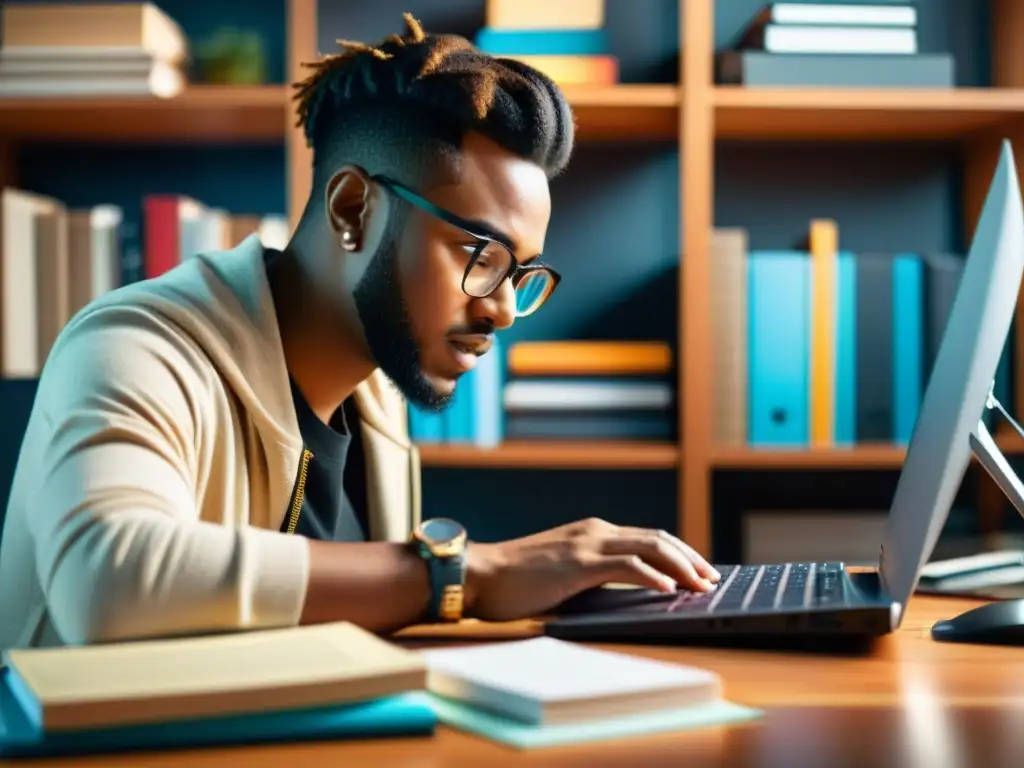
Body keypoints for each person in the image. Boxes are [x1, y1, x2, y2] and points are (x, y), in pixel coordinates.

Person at [0, 15, 718, 653]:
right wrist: (468, 573)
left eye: (520, 273)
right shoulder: (135, 344)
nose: (502, 309)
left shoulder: (378, 398)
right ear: (352, 208)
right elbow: (106, 579)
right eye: (479, 256)